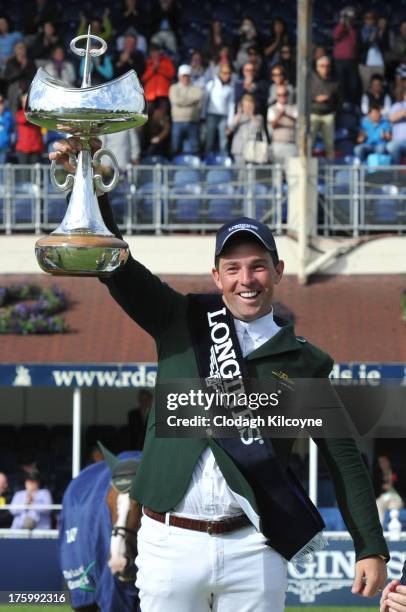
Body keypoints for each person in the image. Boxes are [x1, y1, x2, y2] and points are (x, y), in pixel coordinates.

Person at [52, 136, 389, 611]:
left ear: (277, 271)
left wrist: (370, 546)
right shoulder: (180, 320)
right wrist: (85, 184)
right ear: (216, 276)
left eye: (257, 267)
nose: (245, 280)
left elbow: (343, 457)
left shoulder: (302, 361)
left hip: (255, 545)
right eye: (233, 269)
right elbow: (117, 266)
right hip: (168, 543)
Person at [309, 56, 341, 161]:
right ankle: (307, 169)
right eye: (322, 66)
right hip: (313, 113)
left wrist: (331, 103)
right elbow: (304, 97)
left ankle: (330, 169)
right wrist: (315, 99)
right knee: (310, 143)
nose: (325, 69)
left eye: (327, 66)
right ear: (317, 67)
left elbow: (338, 99)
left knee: (329, 144)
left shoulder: (334, 81)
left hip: (328, 114)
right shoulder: (310, 80)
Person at [169, 64, 203, 156]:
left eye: (187, 76)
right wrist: (191, 101)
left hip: (192, 122)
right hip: (177, 122)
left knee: (195, 148)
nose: (186, 78)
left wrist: (182, 101)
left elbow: (199, 97)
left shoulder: (196, 88)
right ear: (179, 76)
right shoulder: (173, 88)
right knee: (175, 147)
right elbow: (176, 101)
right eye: (184, 76)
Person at [203, 63, 235, 155]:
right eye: (224, 73)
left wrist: (230, 122)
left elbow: (231, 105)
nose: (226, 75)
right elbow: (205, 101)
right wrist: (203, 116)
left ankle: (224, 159)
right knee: (209, 139)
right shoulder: (211, 84)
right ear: (220, 73)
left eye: (228, 73)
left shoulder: (230, 88)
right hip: (211, 115)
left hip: (223, 117)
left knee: (223, 141)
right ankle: (206, 159)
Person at [332, 6, 359, 105]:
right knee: (340, 83)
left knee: (352, 84)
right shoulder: (339, 27)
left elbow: (353, 41)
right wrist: (342, 23)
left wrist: (349, 26)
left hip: (351, 60)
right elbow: (335, 36)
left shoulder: (354, 29)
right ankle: (341, 102)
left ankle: (351, 102)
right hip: (339, 60)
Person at [229, 94, 266, 165]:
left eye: (250, 106)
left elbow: (259, 128)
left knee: (251, 174)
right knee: (239, 173)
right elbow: (229, 130)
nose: (247, 108)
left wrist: (251, 115)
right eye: (245, 106)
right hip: (239, 150)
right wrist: (239, 114)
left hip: (252, 150)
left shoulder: (258, 118)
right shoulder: (238, 118)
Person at [267, 85, 298, 166]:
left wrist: (286, 115)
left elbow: (297, 121)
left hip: (291, 144)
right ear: (276, 96)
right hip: (277, 145)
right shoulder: (272, 109)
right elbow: (273, 125)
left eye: (284, 94)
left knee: (291, 174)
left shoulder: (294, 108)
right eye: (279, 95)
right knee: (277, 174)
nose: (282, 97)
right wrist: (280, 116)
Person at [3, 41, 36, 113]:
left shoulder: (30, 62)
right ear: (15, 50)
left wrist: (25, 65)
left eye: (22, 48)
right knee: (15, 87)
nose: (21, 50)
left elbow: (34, 77)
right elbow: (7, 78)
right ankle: (14, 118)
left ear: (25, 50)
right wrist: (22, 67)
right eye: (19, 48)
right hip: (14, 88)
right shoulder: (10, 62)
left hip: (28, 87)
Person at [141, 44, 175, 111]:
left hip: (163, 94)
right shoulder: (146, 63)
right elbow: (143, 78)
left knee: (161, 116)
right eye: (152, 52)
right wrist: (153, 69)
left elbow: (171, 75)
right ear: (150, 53)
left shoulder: (166, 61)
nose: (154, 54)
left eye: (156, 52)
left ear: (159, 52)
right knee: (147, 116)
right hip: (149, 95)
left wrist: (159, 68)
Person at [374, 455, 403, 524]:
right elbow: (375, 490)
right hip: (383, 498)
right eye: (380, 462)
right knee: (377, 503)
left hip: (396, 497)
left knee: (393, 507)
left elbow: (402, 486)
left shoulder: (397, 472)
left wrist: (391, 485)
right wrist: (382, 487)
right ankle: (380, 529)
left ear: (388, 462)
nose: (382, 464)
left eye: (384, 461)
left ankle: (393, 530)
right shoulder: (377, 475)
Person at [387, 87, 406, 164]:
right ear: (404, 96)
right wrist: (403, 113)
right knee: (393, 147)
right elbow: (391, 118)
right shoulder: (397, 106)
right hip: (399, 142)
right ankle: (396, 175)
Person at [0, 95, 14, 164]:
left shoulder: (8, 115)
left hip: (4, 147)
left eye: (1, 102)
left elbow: (9, 128)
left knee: (2, 170)